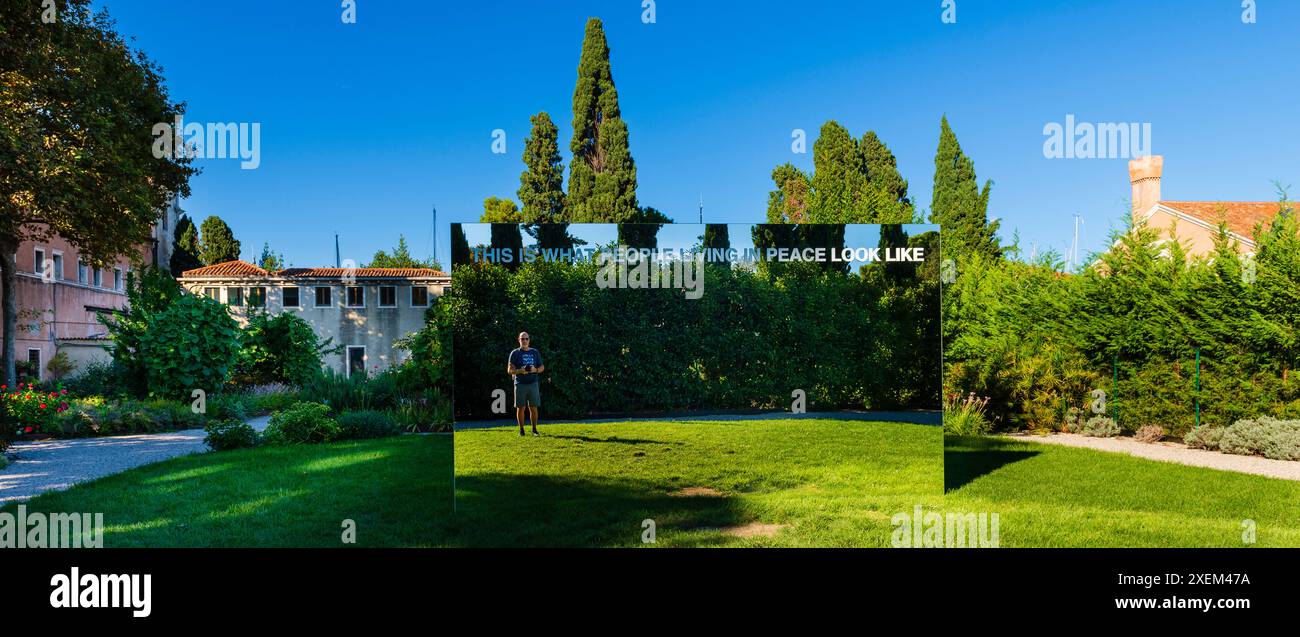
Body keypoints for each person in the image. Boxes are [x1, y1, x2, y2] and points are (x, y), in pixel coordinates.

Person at [507, 331, 545, 436]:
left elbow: (542, 367)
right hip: (520, 383)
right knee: (521, 407)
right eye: (522, 339)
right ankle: (521, 431)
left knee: (533, 407)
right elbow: (509, 370)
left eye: (526, 339)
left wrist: (535, 370)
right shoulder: (515, 353)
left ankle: (534, 430)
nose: (524, 341)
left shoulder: (535, 352)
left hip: (533, 383)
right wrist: (520, 371)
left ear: (529, 340)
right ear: (519, 340)